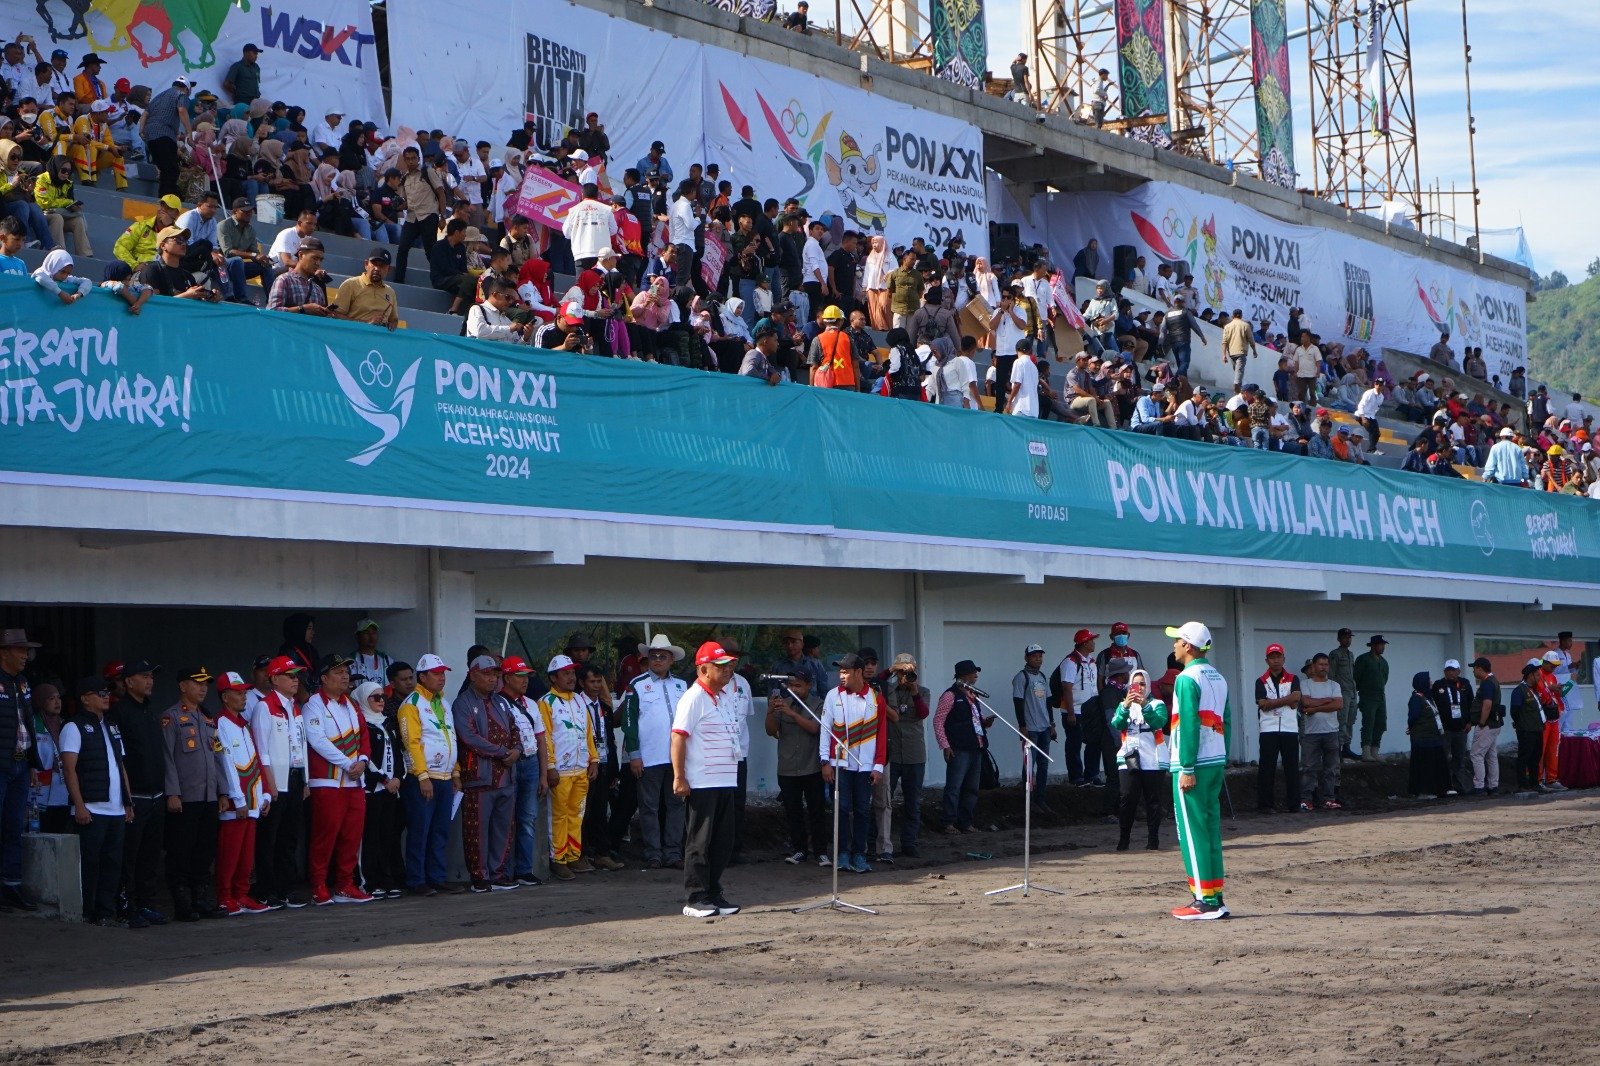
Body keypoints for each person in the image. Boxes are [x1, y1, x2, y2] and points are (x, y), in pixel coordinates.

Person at [1165, 621, 1231, 920]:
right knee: (1209, 831)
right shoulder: (1218, 676)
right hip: (1215, 759)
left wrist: (1188, 766)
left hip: (1193, 763)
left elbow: (1189, 723)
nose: (1174, 645)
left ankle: (1205, 901)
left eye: (1177, 640)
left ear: (1188, 646)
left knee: (1192, 832)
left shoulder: (1185, 678)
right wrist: (1220, 755)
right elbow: (1225, 720)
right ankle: (1213, 893)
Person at [673, 641, 744, 918]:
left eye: (729, 665)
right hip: (702, 781)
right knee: (699, 842)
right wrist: (679, 777)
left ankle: (714, 892)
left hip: (725, 778)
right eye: (721, 666)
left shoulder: (724, 696)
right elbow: (678, 737)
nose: (728, 670)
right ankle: (695, 898)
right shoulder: (692, 698)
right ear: (703, 669)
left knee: (723, 841)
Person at [59, 674, 133, 924]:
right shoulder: (73, 726)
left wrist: (128, 801)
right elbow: (69, 769)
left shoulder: (111, 725)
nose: (106, 696)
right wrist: (79, 805)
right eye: (99, 693)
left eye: (107, 692)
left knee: (113, 863)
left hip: (116, 810)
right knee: (90, 863)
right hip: (91, 808)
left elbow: (121, 766)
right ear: (84, 699)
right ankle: (89, 912)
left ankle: (106, 912)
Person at [304, 655, 371, 905]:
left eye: (345, 671)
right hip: (327, 782)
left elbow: (364, 734)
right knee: (325, 836)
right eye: (338, 672)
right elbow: (317, 740)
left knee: (351, 836)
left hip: (354, 782)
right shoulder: (313, 704)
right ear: (323, 678)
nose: (344, 676)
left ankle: (345, 884)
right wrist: (347, 764)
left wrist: (362, 760)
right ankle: (318, 885)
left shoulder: (351, 704)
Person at [162, 665, 227, 920]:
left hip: (209, 797)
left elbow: (218, 757)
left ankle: (201, 900)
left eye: (206, 683)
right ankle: (182, 903)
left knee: (204, 850)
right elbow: (167, 758)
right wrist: (172, 793)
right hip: (185, 797)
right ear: (182, 686)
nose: (203, 688)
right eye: (197, 683)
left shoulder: (208, 718)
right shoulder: (172, 717)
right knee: (181, 850)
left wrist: (222, 792)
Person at [451, 654, 520, 891]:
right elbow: (469, 737)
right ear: (473, 675)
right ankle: (480, 876)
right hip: (479, 778)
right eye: (487, 674)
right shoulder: (463, 703)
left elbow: (515, 730)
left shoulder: (501, 702)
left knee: (503, 828)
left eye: (495, 675)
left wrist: (517, 750)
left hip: (506, 777)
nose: (493, 679)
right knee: (477, 829)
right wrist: (502, 752)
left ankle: (497, 873)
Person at [621, 634, 688, 869]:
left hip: (677, 758)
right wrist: (634, 754)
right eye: (654, 656)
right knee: (649, 806)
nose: (658, 660)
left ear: (671, 660)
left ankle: (673, 852)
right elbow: (628, 722)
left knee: (677, 805)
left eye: (663, 656)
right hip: (649, 757)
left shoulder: (681, 685)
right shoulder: (636, 685)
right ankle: (653, 853)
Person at [818, 651, 889, 874]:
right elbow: (825, 730)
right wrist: (824, 761)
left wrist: (878, 766)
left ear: (858, 672)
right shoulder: (832, 696)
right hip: (839, 764)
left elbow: (881, 733)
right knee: (841, 808)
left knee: (862, 810)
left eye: (845, 671)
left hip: (865, 766)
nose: (841, 675)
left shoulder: (875, 697)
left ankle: (859, 854)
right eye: (840, 671)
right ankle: (842, 853)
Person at [397, 653, 460, 895]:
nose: (441, 678)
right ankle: (416, 880)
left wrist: (455, 772)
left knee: (440, 830)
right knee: (420, 830)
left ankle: (437, 876)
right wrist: (422, 776)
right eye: (436, 673)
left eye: (443, 673)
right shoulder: (412, 704)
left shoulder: (442, 702)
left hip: (444, 778)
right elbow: (411, 743)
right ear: (422, 676)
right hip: (423, 778)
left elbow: (450, 737)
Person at [246, 655, 306, 909]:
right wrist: (269, 785)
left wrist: (306, 782)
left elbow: (301, 745)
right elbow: (261, 749)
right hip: (274, 781)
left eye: (296, 676)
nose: (295, 680)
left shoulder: (294, 707)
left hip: (294, 776)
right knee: (269, 838)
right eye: (290, 676)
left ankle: (285, 888)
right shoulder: (264, 706)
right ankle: (265, 889)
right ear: (274, 679)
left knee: (289, 837)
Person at [213, 670, 271, 915]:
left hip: (253, 800)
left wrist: (265, 794)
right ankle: (225, 897)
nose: (243, 696)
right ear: (225, 697)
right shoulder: (220, 723)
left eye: (244, 691)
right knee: (230, 853)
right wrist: (237, 798)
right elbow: (224, 763)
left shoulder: (244, 726)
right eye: (238, 692)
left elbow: (256, 761)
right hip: (237, 803)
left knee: (247, 856)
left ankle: (242, 895)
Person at [111, 658, 164, 925]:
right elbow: (119, 760)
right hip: (135, 798)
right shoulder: (119, 713)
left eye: (151, 676)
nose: (150, 680)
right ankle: (126, 907)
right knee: (129, 856)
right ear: (128, 681)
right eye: (144, 676)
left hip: (156, 796)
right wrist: (126, 797)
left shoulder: (150, 710)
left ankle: (146, 904)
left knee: (150, 856)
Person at [537, 654, 599, 880]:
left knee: (576, 813)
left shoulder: (580, 700)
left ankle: (574, 855)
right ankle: (558, 858)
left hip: (580, 768)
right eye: (566, 674)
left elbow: (588, 732)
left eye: (572, 673)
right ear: (554, 678)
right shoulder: (546, 702)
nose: (571, 677)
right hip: (560, 771)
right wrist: (550, 767)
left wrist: (594, 759)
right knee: (559, 815)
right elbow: (545, 738)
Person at [767, 669, 828, 867]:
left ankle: (821, 852)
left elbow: (815, 728)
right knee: (793, 812)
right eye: (791, 685)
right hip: (787, 768)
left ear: (809, 685)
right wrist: (770, 712)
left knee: (816, 811)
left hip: (811, 767)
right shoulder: (784, 704)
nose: (793, 689)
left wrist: (791, 713)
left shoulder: (818, 704)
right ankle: (799, 850)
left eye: (798, 686)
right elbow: (771, 731)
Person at [353, 679, 404, 898]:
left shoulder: (388, 722)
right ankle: (368, 881)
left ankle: (386, 878)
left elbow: (399, 753)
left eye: (383, 696)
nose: (381, 701)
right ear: (364, 699)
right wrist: (384, 779)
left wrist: (398, 778)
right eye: (375, 697)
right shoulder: (361, 724)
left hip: (392, 790)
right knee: (370, 836)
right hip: (373, 789)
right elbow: (367, 757)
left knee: (388, 835)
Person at [1110, 668, 1168, 851]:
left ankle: (1153, 840)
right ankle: (1124, 839)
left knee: (1153, 800)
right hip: (1129, 757)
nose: (1140, 688)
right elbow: (1117, 724)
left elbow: (1159, 722)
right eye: (1136, 684)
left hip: (1153, 758)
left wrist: (1144, 705)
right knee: (1127, 798)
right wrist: (1125, 707)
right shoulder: (1124, 705)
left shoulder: (1157, 704)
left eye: (1143, 684)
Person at [935, 659, 991, 836]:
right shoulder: (950, 695)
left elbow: (973, 719)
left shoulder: (974, 696)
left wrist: (984, 723)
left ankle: (965, 822)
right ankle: (948, 822)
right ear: (963, 675)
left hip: (976, 746)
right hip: (958, 748)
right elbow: (938, 721)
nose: (976, 675)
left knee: (972, 788)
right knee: (954, 787)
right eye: (973, 672)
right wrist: (945, 745)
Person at [577, 663, 624, 871]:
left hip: (604, 763)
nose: (596, 686)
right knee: (583, 812)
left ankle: (602, 853)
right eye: (592, 681)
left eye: (599, 681)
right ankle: (583, 853)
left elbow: (610, 739)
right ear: (582, 683)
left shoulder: (604, 707)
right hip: (584, 765)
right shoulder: (576, 704)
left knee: (600, 810)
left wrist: (614, 768)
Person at [1254, 643, 1301, 813]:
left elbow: (1296, 700)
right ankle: (1265, 805)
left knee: (1292, 768)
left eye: (1278, 657)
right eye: (1272, 657)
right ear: (1267, 660)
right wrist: (1286, 700)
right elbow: (1262, 704)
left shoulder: (1293, 678)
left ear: (1283, 658)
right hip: (1268, 730)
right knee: (1267, 768)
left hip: (1289, 728)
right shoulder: (1260, 681)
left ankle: (1294, 805)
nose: (1275, 660)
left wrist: (1271, 703)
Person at [1298, 653, 1344, 810]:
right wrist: (1327, 700)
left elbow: (1338, 705)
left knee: (1331, 768)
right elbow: (1305, 702)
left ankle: (1329, 799)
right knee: (1308, 768)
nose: (1324, 667)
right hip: (1311, 733)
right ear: (1313, 666)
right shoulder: (1305, 684)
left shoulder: (1334, 685)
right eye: (1321, 664)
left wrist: (1315, 708)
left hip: (1331, 732)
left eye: (1326, 665)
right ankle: (1306, 800)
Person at [1012, 644, 1055, 812]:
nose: (1038, 658)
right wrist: (1022, 726)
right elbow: (1018, 702)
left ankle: (1041, 799)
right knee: (1029, 765)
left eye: (1040, 655)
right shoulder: (1021, 677)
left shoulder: (1043, 676)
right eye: (1034, 655)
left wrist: (1052, 724)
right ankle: (1028, 801)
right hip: (1030, 728)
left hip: (1044, 727)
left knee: (1043, 765)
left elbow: (1049, 702)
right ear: (1026, 658)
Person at [1055, 629, 1099, 786]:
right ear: (1085, 643)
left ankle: (1092, 774)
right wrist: (1071, 713)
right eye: (1091, 640)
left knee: (1094, 742)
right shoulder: (1070, 662)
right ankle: (1076, 777)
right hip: (1075, 711)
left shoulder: (1091, 661)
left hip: (1090, 711)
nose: (1094, 643)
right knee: (1074, 743)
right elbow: (1067, 687)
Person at [1431, 660, 1473, 797]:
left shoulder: (1465, 684)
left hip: (1461, 729)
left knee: (1459, 758)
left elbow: (1471, 703)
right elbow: (1433, 705)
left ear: (1458, 671)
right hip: (1445, 730)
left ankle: (1460, 786)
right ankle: (1444, 787)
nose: (1451, 672)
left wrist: (1470, 722)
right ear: (1444, 671)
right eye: (1448, 670)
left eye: (1453, 670)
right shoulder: (1438, 685)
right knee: (1443, 758)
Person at [330, 249, 399, 331]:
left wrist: (391, 324)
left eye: (382, 266)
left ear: (388, 270)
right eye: (374, 264)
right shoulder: (350, 284)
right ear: (366, 264)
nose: (377, 268)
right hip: (354, 336)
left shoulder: (390, 292)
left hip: (379, 341)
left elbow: (394, 320)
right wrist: (366, 323)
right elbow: (335, 315)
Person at [1406, 671, 1448, 799]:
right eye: (1428, 680)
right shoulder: (1416, 699)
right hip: (1422, 740)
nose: (1430, 682)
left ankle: (1439, 789)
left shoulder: (1428, 697)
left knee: (1436, 765)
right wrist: (1412, 727)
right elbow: (1413, 717)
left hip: (1434, 738)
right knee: (1424, 766)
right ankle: (1423, 791)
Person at [1509, 660, 1547, 795]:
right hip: (1526, 730)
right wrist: (1521, 724)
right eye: (1537, 675)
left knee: (1535, 757)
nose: (1539, 678)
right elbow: (1515, 710)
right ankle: (1522, 784)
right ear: (1530, 675)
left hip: (1537, 729)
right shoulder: (1520, 691)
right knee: (1524, 757)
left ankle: (1534, 783)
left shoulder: (1534, 691)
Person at [1467, 657, 1504, 797]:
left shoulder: (1487, 683)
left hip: (1487, 725)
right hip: (1495, 723)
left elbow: (1487, 704)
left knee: (1476, 754)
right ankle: (1493, 786)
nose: (1473, 671)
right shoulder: (1493, 680)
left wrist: (1481, 722)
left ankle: (1479, 787)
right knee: (1491, 756)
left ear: (1480, 669)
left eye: (1474, 668)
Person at [1533, 651, 1566, 791]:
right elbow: (1539, 694)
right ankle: (1538, 779)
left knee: (1553, 750)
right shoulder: (1537, 674)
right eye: (1552, 665)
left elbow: (1556, 696)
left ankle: (1552, 778)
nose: (1554, 668)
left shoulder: (1552, 676)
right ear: (1544, 663)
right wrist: (1549, 688)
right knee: (1541, 749)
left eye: (1555, 666)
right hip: (1543, 719)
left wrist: (1558, 690)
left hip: (1554, 718)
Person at [1354, 635, 1389, 759]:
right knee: (1368, 722)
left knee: (1381, 722)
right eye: (1381, 644)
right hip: (1367, 696)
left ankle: (1375, 750)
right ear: (1373, 646)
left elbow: (1384, 679)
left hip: (1380, 696)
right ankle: (1366, 751)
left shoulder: (1384, 662)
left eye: (1384, 645)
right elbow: (1356, 677)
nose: (1383, 647)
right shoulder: (1363, 659)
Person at [1328, 627, 1360, 761]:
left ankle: (1347, 747)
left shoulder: (1351, 654)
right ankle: (1338, 750)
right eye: (1345, 637)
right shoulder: (1335, 654)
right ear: (1339, 639)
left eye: (1349, 637)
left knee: (1350, 720)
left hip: (1352, 691)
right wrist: (1335, 693)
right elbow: (1331, 674)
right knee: (1341, 720)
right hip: (1342, 692)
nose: (1348, 640)